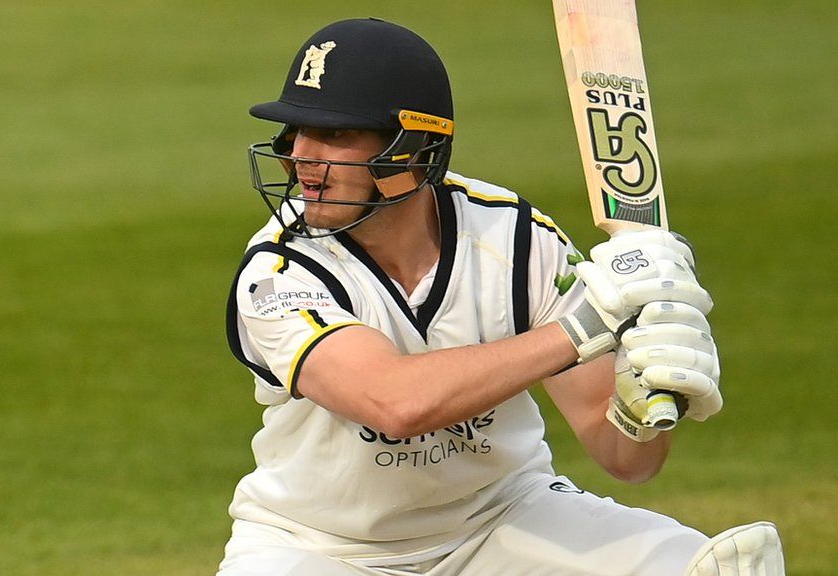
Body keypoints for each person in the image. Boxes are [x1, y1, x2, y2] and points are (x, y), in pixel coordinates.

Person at [220, 18, 784, 576]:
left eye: (336, 135)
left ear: (412, 146)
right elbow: (394, 405)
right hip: (317, 545)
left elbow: (627, 462)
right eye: (297, 131)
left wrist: (647, 398)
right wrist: (585, 329)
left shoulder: (514, 240)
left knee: (713, 568)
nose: (300, 156)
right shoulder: (279, 271)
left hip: (502, 521)